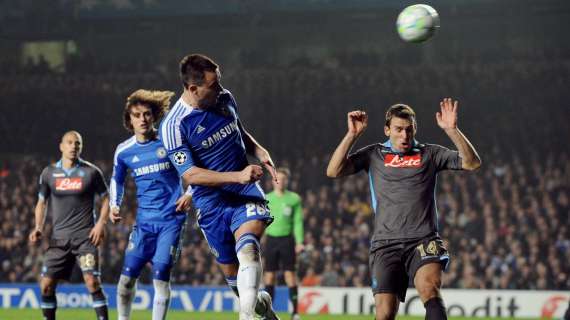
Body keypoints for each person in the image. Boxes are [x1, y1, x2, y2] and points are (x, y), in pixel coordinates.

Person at [326, 99, 481, 320]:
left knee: (429, 288)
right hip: (385, 243)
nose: (405, 135)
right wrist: (352, 135)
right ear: (387, 130)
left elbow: (472, 163)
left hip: (423, 239)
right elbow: (333, 171)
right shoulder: (374, 154)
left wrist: (452, 131)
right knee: (385, 313)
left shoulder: (430, 153)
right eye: (398, 129)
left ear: (415, 129)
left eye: (409, 130)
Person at [159, 53, 279, 320]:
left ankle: (246, 317)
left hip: (244, 194)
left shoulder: (224, 98)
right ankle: (264, 310)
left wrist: (260, 152)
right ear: (193, 88)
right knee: (240, 287)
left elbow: (239, 131)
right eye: (213, 86)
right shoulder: (174, 125)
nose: (220, 89)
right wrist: (238, 175)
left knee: (248, 250)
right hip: (211, 205)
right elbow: (190, 175)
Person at [109, 89, 192, 320]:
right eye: (137, 115)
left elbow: (197, 169)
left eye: (147, 114)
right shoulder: (124, 151)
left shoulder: (169, 142)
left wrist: (190, 193)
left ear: (154, 116)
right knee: (126, 279)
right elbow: (116, 180)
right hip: (144, 224)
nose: (143, 119)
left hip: (171, 221)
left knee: (161, 276)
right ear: (130, 119)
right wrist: (115, 205)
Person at [28, 131, 110, 320]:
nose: (74, 146)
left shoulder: (91, 172)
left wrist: (100, 225)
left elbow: (106, 199)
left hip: (86, 239)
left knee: (92, 282)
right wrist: (38, 227)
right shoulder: (49, 173)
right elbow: (41, 202)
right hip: (59, 240)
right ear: (61, 146)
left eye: (78, 144)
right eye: (70, 143)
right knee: (46, 286)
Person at [263, 167, 304, 320]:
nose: (280, 182)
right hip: (271, 240)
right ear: (273, 181)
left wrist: (299, 242)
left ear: (288, 181)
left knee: (290, 275)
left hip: (287, 240)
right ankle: (268, 312)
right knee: (269, 277)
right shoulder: (266, 198)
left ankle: (295, 312)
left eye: (283, 179)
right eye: (277, 179)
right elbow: (261, 220)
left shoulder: (294, 199)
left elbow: (298, 222)